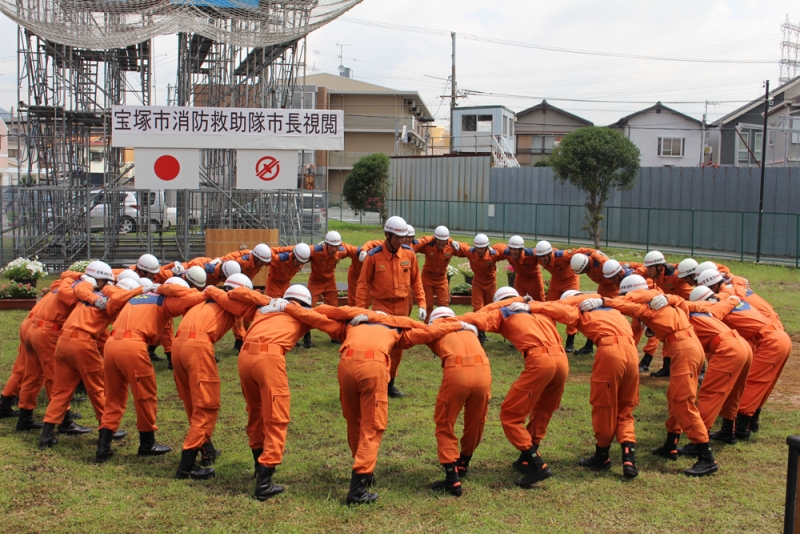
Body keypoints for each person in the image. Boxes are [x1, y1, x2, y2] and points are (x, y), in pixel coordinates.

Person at [264, 299, 466, 504]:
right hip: (373, 367)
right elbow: (425, 331)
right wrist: (458, 325)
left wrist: (287, 307)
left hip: (346, 365)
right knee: (373, 426)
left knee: (354, 421)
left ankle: (364, 471)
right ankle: (359, 486)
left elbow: (319, 318)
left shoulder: (352, 324)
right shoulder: (394, 328)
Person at [584, 275, 718, 476]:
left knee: (682, 402)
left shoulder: (647, 304)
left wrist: (604, 301)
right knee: (675, 397)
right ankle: (670, 445)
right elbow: (680, 303)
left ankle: (706, 457)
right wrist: (670, 298)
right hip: (690, 347)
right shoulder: (663, 302)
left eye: (627, 295)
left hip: (683, 350)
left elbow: (629, 306)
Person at [459, 286, 578, 488]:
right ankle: (527, 457)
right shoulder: (537, 308)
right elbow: (570, 313)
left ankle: (536, 464)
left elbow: (476, 317)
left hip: (540, 361)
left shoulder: (502, 312)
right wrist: (527, 302)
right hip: (562, 361)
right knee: (543, 409)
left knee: (510, 416)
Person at [96, 278, 206, 463]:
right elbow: (194, 298)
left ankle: (103, 447)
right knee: (145, 396)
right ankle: (147, 444)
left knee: (114, 397)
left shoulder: (137, 297)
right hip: (134, 346)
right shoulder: (165, 301)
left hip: (111, 344)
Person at [38, 264, 145, 449]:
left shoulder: (91, 292)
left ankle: (46, 435)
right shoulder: (112, 302)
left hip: (63, 342)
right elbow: (116, 305)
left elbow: (79, 287)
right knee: (97, 388)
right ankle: (106, 428)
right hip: (82, 343)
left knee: (60, 391)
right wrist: (140, 291)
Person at [540, 290, 640, 477]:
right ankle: (628, 456)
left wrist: (528, 305)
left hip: (610, 353)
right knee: (626, 407)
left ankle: (602, 455)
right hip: (632, 352)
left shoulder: (579, 310)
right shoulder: (612, 308)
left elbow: (555, 308)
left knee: (604, 406)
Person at [170, 273, 259, 480]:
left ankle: (205, 448)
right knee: (207, 405)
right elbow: (255, 309)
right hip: (198, 347)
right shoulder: (229, 302)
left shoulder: (204, 299)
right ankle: (187, 465)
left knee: (193, 402)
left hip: (178, 345)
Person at [691, 269, 792, 439]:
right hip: (776, 337)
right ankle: (748, 424)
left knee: (752, 384)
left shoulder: (720, 306)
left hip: (770, 341)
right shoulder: (730, 294)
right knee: (761, 384)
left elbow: (713, 317)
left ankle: (740, 430)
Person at [655, 289, 752, 449]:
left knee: (709, 394)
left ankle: (699, 442)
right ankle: (728, 430)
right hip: (742, 345)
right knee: (733, 393)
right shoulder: (704, 310)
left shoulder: (678, 319)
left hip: (728, 348)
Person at [423, 307, 491, 496]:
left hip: (457, 373)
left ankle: (452, 479)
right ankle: (464, 462)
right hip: (484, 371)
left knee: (445, 422)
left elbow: (414, 333)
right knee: (476, 420)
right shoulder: (469, 328)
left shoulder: (434, 327)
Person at [356, 216, 426, 398]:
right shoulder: (373, 256)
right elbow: (363, 285)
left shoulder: (409, 254)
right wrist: (360, 311)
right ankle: (377, 381)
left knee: (398, 349)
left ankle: (390, 384)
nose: (401, 241)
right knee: (382, 347)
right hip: (381, 306)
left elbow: (416, 281)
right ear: (387, 235)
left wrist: (422, 303)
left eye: (403, 237)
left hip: (403, 307)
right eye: (397, 237)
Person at [16, 269, 87, 431]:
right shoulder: (77, 291)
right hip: (48, 333)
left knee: (31, 376)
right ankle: (64, 421)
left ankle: (24, 418)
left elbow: (66, 276)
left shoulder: (68, 282)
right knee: (55, 378)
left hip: (34, 329)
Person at [534, 241, 595, 353]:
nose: (542, 259)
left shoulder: (563, 255)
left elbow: (581, 251)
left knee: (571, 309)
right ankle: (548, 336)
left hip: (570, 281)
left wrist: (597, 255)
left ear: (549, 254)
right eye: (540, 257)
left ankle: (570, 341)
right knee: (548, 308)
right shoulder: (536, 256)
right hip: (556, 282)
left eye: (544, 256)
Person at [602, 259, 661, 373]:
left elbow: (645, 267)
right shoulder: (623, 276)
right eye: (609, 279)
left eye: (613, 278)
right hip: (639, 303)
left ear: (619, 273)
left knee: (653, 329)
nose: (612, 281)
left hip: (651, 301)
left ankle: (646, 360)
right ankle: (628, 354)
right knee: (634, 329)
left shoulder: (632, 278)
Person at [641, 251, 693, 378]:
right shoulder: (657, 276)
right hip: (675, 309)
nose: (647, 270)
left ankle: (699, 371)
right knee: (667, 337)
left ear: (659, 267)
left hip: (689, 309)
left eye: (650, 267)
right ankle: (667, 367)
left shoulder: (676, 276)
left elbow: (693, 285)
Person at [304, 231, 359, 346]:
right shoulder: (314, 251)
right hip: (315, 282)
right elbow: (298, 251)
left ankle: (335, 335)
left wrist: (365, 252)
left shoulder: (342, 251)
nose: (334, 249)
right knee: (308, 308)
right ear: (326, 244)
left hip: (330, 282)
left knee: (334, 310)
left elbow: (355, 250)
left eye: (337, 246)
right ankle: (306, 337)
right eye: (332, 246)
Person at [450, 233, 503, 343]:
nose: (479, 251)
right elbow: (461, 246)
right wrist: (452, 241)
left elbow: (505, 250)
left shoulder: (494, 254)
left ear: (486, 247)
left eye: (482, 248)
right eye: (477, 248)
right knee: (478, 307)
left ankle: (486, 329)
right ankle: (480, 333)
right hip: (477, 282)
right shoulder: (471, 252)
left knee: (490, 308)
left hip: (490, 283)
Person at [223, 244, 273, 351]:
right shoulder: (241, 261)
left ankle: (242, 340)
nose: (263, 264)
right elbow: (228, 261)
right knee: (237, 317)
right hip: (236, 290)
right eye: (262, 262)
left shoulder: (257, 260)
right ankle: (239, 342)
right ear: (256, 258)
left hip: (246, 288)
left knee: (247, 316)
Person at [412, 226, 458, 310]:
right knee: (428, 304)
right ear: (435, 239)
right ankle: (428, 323)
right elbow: (414, 245)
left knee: (444, 305)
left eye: (444, 240)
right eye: (439, 240)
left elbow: (467, 250)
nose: (441, 243)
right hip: (427, 277)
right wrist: (431, 238)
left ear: (447, 240)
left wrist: (486, 250)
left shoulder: (451, 247)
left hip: (441, 278)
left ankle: (443, 322)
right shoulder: (428, 246)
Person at [494, 236, 545, 302]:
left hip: (534, 279)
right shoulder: (507, 253)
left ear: (521, 249)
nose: (512, 252)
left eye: (515, 249)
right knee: (517, 300)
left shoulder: (531, 254)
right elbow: (499, 246)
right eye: (511, 249)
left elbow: (547, 251)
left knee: (539, 302)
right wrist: (489, 248)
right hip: (520, 279)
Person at [347, 239, 382, 307]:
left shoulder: (380, 252)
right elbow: (345, 248)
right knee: (353, 302)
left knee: (367, 301)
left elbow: (373, 243)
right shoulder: (356, 252)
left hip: (369, 278)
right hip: (355, 278)